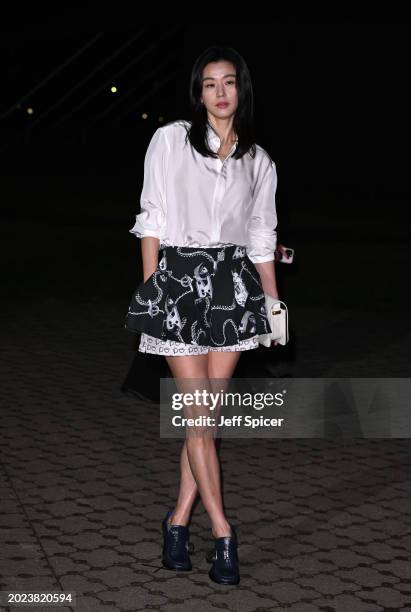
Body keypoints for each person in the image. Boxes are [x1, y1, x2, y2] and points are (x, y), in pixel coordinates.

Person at [124, 45, 280, 585]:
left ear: (241, 90)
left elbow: (261, 238)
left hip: (234, 288)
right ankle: (223, 533)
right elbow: (153, 217)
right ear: (198, 92)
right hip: (179, 282)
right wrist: (153, 290)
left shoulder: (259, 161)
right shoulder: (170, 141)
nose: (219, 92)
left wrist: (272, 304)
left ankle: (176, 525)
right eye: (210, 83)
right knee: (199, 416)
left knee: (203, 420)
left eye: (229, 82)